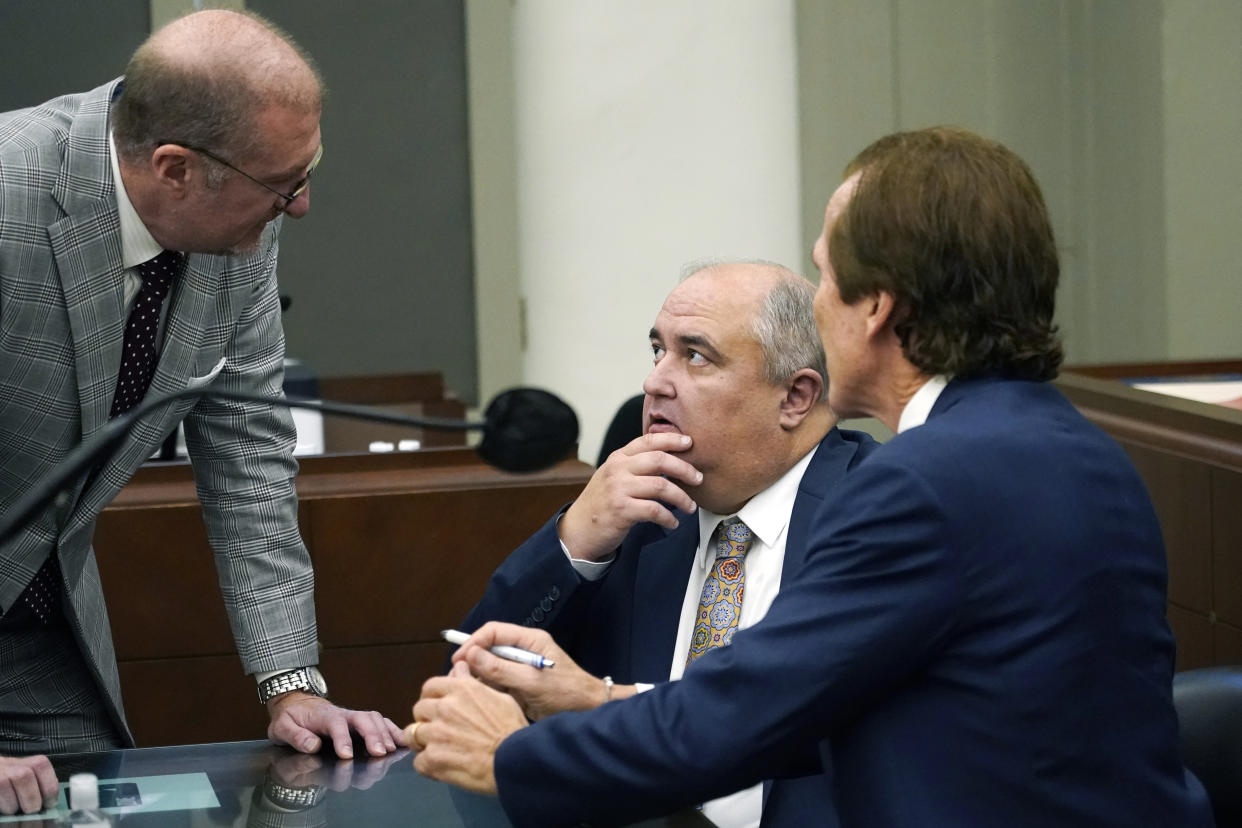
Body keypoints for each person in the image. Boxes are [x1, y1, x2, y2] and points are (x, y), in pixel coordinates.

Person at [408, 127, 1210, 827]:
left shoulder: (925, 484)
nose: (818, 306)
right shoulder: (1082, 450)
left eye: (827, 278)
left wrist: (511, 758)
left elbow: (737, 718)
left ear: (878, 310)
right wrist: (597, 700)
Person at [0, 9, 403, 815]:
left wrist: (291, 684)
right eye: (284, 184)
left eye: (307, 168)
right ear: (175, 168)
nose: (302, 205)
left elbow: (248, 448)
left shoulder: (234, 223)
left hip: (40, 626)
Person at [455, 260, 876, 828]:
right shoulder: (641, 514)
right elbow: (478, 670)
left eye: (695, 355)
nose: (655, 381)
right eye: (658, 350)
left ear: (795, 397)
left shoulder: (876, 513)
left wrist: (597, 701)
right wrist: (577, 539)